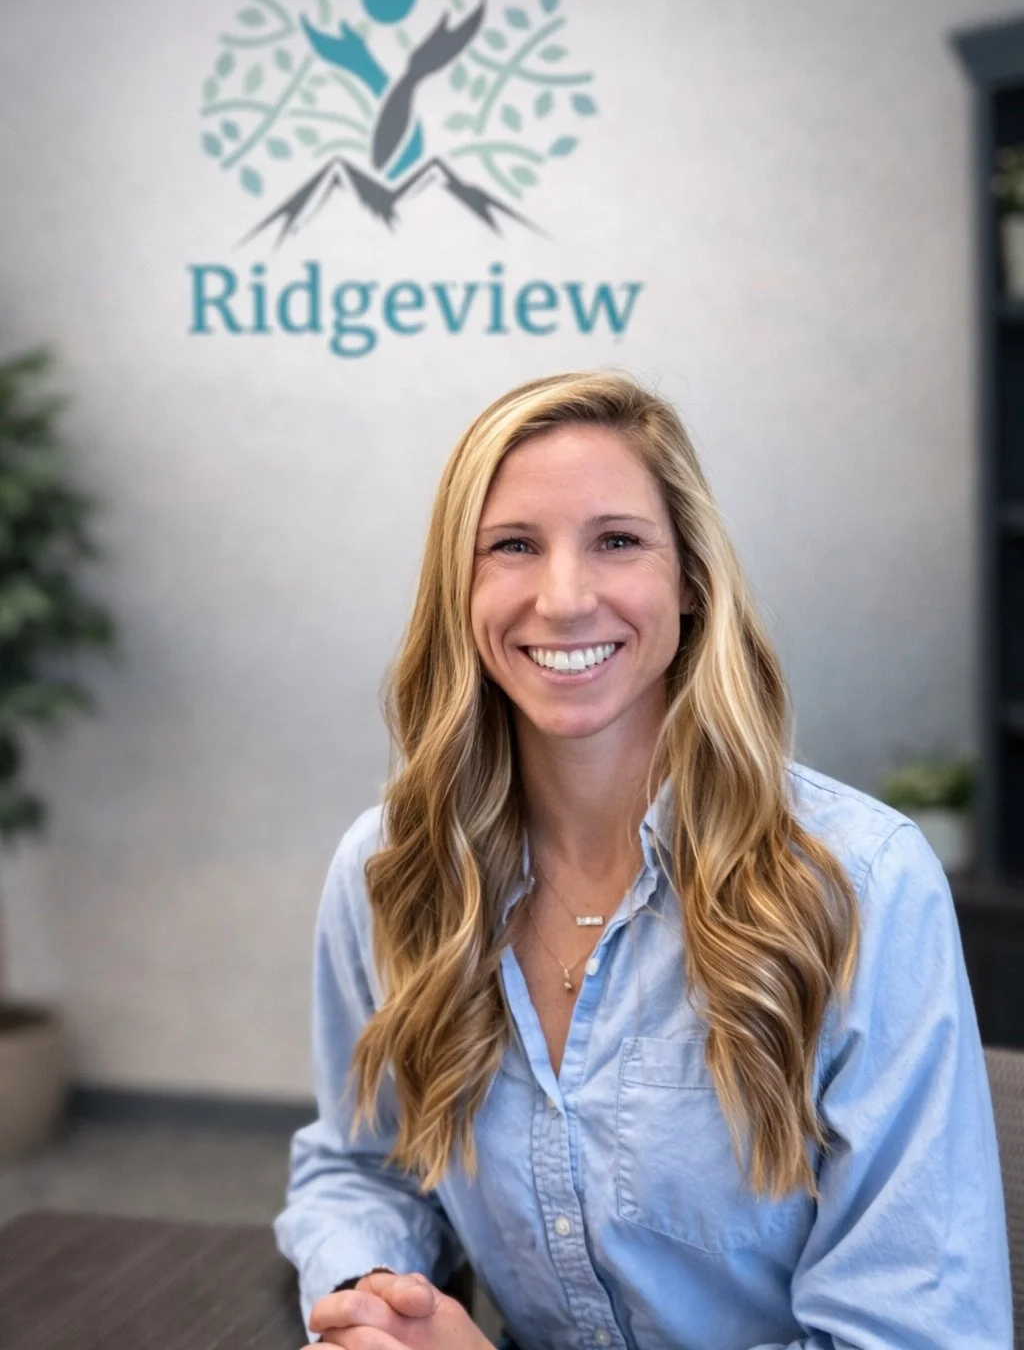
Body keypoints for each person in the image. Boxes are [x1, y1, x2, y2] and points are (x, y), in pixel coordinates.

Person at [274, 370, 1011, 1350]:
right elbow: (361, 1162)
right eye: (512, 546)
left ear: (690, 581)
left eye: (616, 541)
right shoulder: (393, 871)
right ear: (459, 587)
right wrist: (373, 1300)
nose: (566, 597)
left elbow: (915, 1336)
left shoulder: (864, 884)